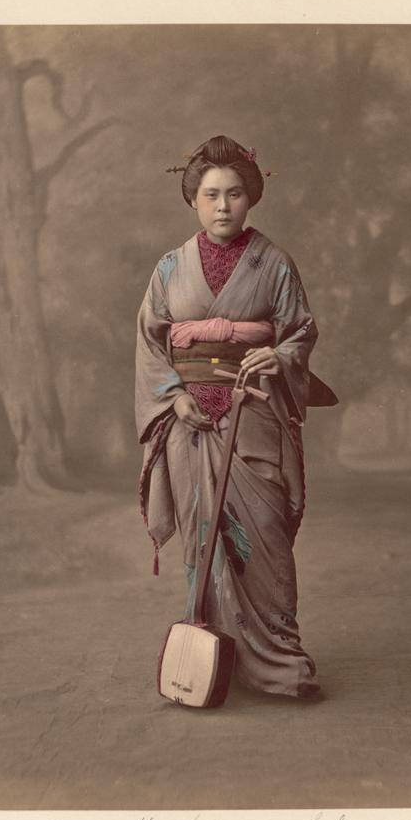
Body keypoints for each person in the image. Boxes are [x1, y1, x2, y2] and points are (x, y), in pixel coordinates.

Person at [135, 135, 334, 700]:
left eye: (236, 194)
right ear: (193, 201)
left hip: (254, 410)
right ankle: (213, 657)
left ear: (253, 198)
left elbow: (300, 329)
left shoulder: (274, 263)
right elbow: (152, 343)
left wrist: (282, 354)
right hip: (190, 419)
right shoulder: (170, 268)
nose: (224, 206)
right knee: (205, 540)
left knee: (264, 539)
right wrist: (174, 398)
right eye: (211, 195)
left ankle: (280, 662)